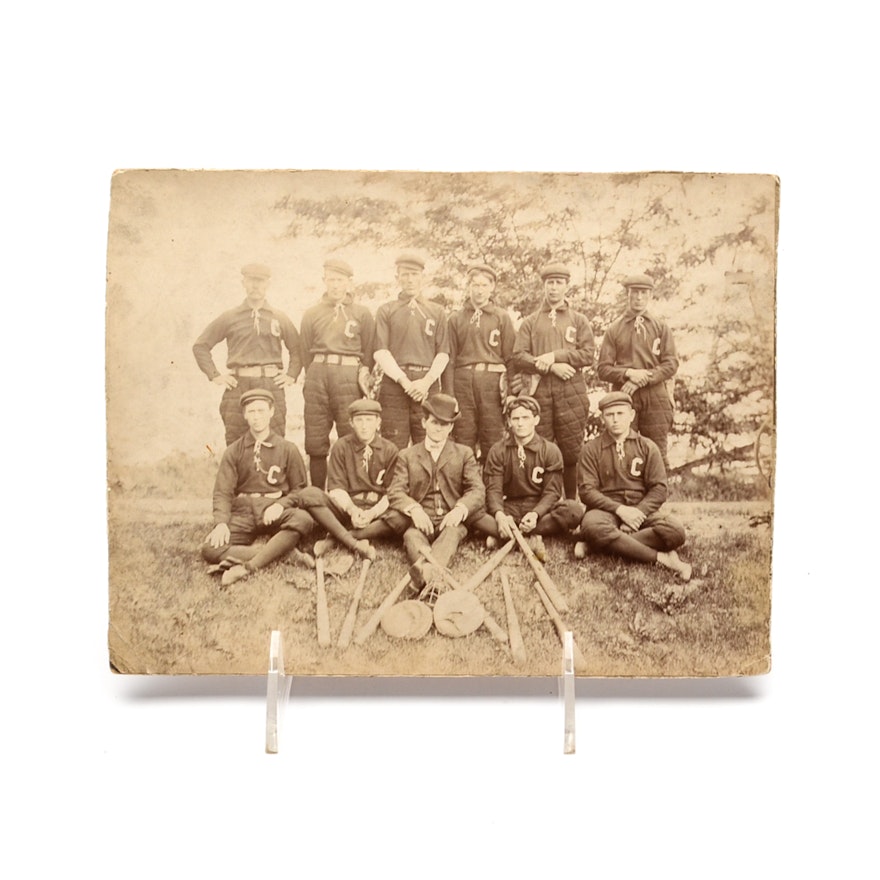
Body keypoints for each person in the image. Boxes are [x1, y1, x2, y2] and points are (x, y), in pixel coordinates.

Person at [201, 390, 374, 588]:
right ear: (245, 415)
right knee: (210, 549)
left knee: (302, 519)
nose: (257, 417)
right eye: (252, 412)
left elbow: (300, 489)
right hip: (244, 510)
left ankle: (251, 565)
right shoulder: (235, 451)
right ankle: (283, 553)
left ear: (271, 412)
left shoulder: (287, 448)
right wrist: (221, 523)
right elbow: (223, 492)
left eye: (261, 411)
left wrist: (281, 505)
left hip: (275, 506)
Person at [576, 391, 692, 581]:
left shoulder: (647, 446)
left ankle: (595, 547)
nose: (615, 420)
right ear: (603, 418)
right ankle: (663, 559)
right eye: (609, 415)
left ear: (631, 415)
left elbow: (659, 488)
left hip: (641, 509)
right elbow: (587, 492)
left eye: (620, 414)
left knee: (675, 531)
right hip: (605, 510)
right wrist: (620, 510)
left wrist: (636, 514)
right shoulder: (591, 449)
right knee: (593, 527)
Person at [385, 394, 486, 593]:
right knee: (411, 536)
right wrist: (414, 510)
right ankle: (434, 578)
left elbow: (477, 489)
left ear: (451, 427)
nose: (438, 428)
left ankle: (424, 574)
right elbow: (395, 490)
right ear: (424, 423)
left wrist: (459, 510)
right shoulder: (407, 455)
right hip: (421, 521)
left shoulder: (463, 453)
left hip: (450, 520)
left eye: (444, 424)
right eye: (434, 422)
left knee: (451, 534)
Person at [193, 263, 302, 446]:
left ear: (268, 284)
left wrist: (291, 375)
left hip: (270, 386)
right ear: (243, 282)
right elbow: (201, 346)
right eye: (251, 281)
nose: (256, 286)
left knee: (274, 442)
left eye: (260, 282)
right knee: (236, 443)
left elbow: (297, 349)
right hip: (238, 386)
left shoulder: (279, 317)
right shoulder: (230, 317)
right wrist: (215, 376)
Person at [511, 262, 595, 499]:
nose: (554, 288)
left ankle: (570, 504)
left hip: (571, 390)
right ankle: (542, 505)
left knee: (570, 451)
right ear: (544, 286)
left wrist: (556, 356)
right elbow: (518, 356)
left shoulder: (578, 320)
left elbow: (588, 355)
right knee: (540, 448)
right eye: (550, 283)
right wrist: (551, 366)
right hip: (538, 391)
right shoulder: (531, 321)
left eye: (559, 283)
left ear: (567, 286)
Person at [469, 396, 584, 560]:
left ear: (536, 420)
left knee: (574, 510)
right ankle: (526, 536)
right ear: (509, 421)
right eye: (515, 418)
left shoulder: (550, 450)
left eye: (525, 418)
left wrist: (536, 514)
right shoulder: (498, 450)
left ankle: (506, 535)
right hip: (509, 507)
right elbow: (494, 489)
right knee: (473, 512)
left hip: (539, 508)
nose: (520, 423)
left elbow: (552, 492)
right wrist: (500, 515)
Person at [299, 258, 375, 489]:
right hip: (318, 373)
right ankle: (319, 500)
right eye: (330, 280)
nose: (335, 285)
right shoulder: (312, 313)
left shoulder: (362, 313)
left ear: (349, 282)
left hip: (349, 375)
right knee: (316, 440)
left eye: (339, 280)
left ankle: (351, 496)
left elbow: (369, 351)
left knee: (350, 435)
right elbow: (304, 351)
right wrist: (312, 377)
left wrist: (362, 378)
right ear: (324, 281)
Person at [597, 273, 679, 470]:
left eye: (643, 293)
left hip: (656, 395)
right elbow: (603, 369)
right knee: (623, 447)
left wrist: (644, 377)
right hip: (624, 395)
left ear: (650, 295)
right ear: (628, 294)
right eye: (635, 293)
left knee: (657, 450)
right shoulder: (615, 329)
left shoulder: (661, 327)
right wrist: (628, 374)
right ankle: (625, 497)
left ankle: (656, 499)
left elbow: (671, 364)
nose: (639, 297)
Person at [373, 253, 450, 448]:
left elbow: (443, 353)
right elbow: (380, 351)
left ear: (423, 277)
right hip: (395, 383)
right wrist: (405, 382)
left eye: (414, 274)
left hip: (427, 383)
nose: (409, 279)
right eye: (405, 274)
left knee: (428, 443)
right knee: (392, 444)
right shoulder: (386, 310)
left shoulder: (437, 311)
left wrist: (425, 383)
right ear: (397, 278)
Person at [444, 262, 515, 460]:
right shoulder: (456, 318)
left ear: (492, 287)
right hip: (463, 381)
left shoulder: (501, 317)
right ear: (468, 287)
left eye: (484, 285)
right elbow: (449, 359)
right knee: (463, 436)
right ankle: (465, 488)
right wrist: (450, 394)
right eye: (475, 285)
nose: (479, 290)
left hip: (491, 381)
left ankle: (493, 489)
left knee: (492, 437)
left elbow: (511, 358)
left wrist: (511, 392)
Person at [324, 398, 400, 544]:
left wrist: (372, 513)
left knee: (400, 517)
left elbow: (393, 492)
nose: (364, 426)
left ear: (378, 423)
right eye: (359, 420)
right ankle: (368, 532)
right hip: (348, 507)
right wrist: (352, 510)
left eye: (369, 420)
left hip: (377, 509)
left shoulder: (390, 449)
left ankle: (343, 536)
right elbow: (336, 488)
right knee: (312, 496)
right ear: (351, 423)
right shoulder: (341, 446)